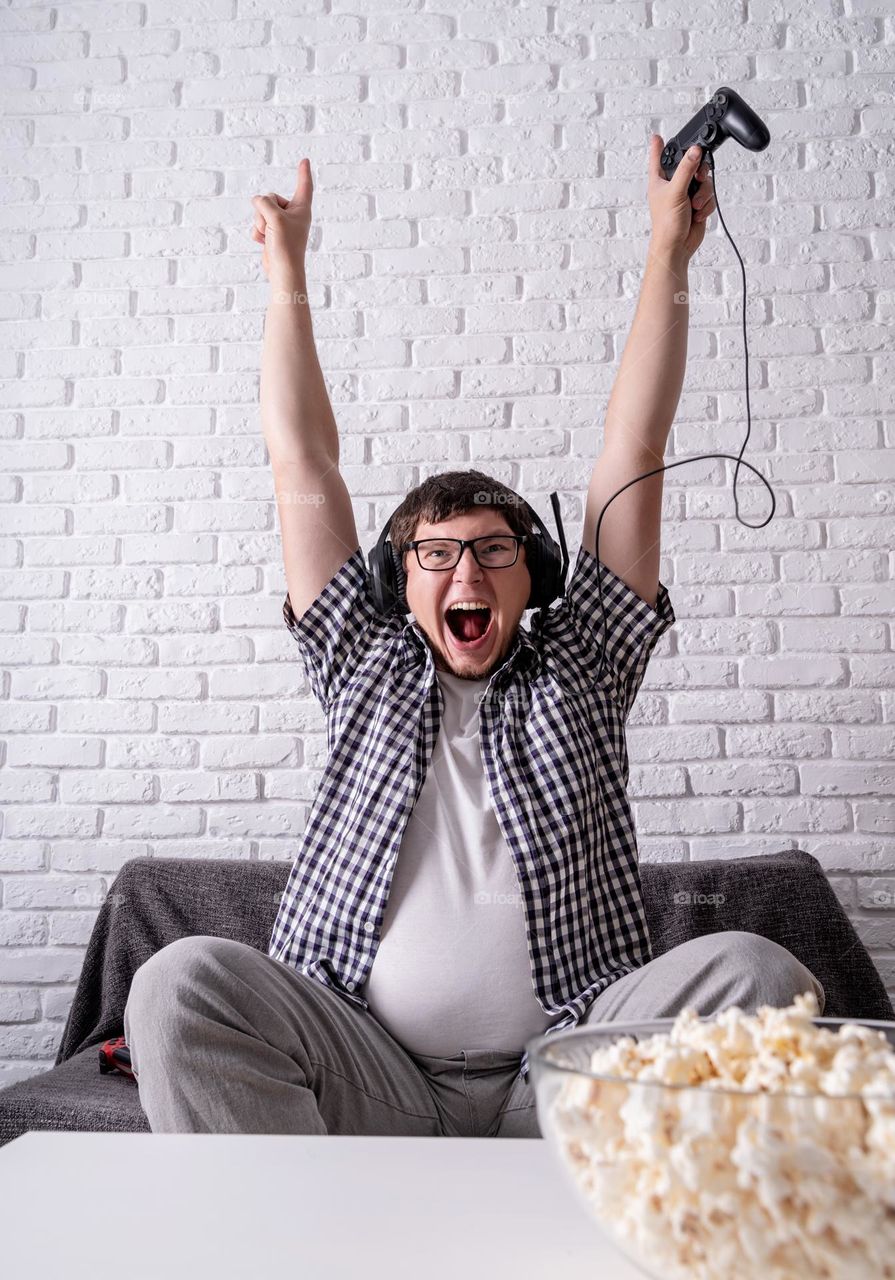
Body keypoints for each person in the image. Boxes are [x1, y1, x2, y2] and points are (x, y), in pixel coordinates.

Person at [123, 143, 824, 1137]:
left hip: (570, 1075)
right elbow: (302, 464)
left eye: (493, 550)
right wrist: (285, 273)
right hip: (364, 1065)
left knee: (760, 973)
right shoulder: (360, 662)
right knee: (175, 982)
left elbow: (632, 453)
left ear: (530, 574)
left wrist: (670, 252)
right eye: (437, 554)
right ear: (396, 584)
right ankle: (282, 1234)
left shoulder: (582, 661)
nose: (465, 573)